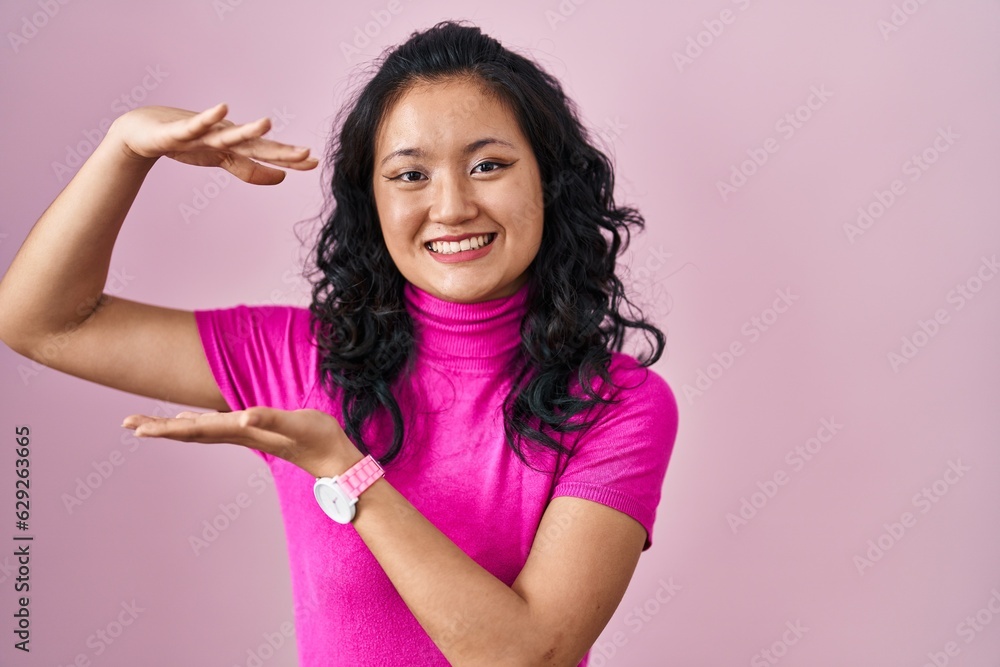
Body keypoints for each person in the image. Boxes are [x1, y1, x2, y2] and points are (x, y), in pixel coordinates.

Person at [0, 20, 678, 667]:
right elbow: (45, 320)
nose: (450, 207)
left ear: (549, 182)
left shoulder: (620, 404)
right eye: (410, 175)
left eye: (488, 165)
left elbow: (525, 653)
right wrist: (125, 149)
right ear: (372, 204)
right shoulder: (299, 357)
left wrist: (348, 472)